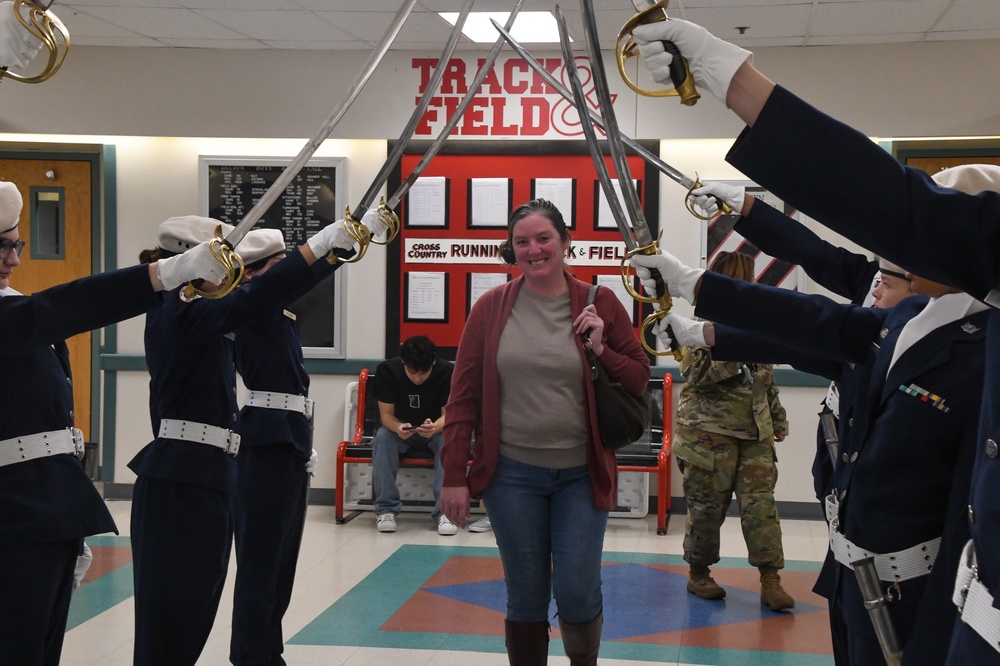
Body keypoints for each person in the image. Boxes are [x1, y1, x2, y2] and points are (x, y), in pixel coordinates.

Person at [632, 20, 1000, 662]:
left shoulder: (977, 342)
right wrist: (697, 292)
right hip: (859, 576)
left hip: (928, 597)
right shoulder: (905, 318)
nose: (900, 253)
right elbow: (810, 323)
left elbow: (870, 223)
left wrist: (736, 82)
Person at [131, 212, 381, 666]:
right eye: (218, 262)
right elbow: (263, 292)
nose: (229, 274)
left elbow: (267, 292)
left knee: (195, 616)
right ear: (192, 265)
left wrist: (337, 250)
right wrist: (325, 244)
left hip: (212, 473)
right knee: (172, 626)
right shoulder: (181, 311)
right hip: (183, 477)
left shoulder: (201, 317)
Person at [0, 181, 229, 665]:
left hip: (44, 512)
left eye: (15, 243)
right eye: (3, 246)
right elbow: (64, 307)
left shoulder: (14, 306)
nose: (14, 258)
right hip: (14, 517)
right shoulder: (19, 315)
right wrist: (165, 274)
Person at [439, 199, 650, 665]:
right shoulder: (491, 308)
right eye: (522, 242)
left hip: (581, 472)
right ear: (511, 250)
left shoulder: (600, 301)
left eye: (543, 239)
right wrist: (454, 475)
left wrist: (601, 349)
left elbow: (639, 376)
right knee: (526, 593)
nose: (533, 250)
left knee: (576, 589)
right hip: (511, 475)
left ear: (565, 242)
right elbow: (463, 398)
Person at [693, 182, 913, 504]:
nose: (878, 290)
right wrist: (746, 207)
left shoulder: (915, 326)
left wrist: (701, 308)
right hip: (837, 440)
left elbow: (802, 326)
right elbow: (811, 251)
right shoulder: (874, 278)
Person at [229, 227, 340, 665]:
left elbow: (297, 279)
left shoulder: (278, 313)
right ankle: (253, 655)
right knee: (260, 562)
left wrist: (335, 256)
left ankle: (267, 649)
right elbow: (293, 278)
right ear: (257, 275)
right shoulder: (253, 305)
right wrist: (327, 251)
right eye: (279, 269)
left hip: (289, 438)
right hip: (265, 442)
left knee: (281, 564)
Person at [672, 251, 793, 610]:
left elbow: (765, 380)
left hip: (755, 436)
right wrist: (737, 346)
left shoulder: (760, 323)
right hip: (708, 436)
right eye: (744, 280)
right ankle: (699, 573)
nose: (750, 286)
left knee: (762, 508)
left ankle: (770, 578)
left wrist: (778, 417)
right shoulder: (699, 327)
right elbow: (694, 374)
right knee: (707, 509)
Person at [371, 335, 455, 535]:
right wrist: (399, 427)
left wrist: (434, 427)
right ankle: (386, 510)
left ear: (433, 363)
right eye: (411, 372)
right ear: (403, 363)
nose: (417, 378)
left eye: (423, 373)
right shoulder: (387, 370)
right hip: (399, 430)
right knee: (382, 439)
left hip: (434, 431)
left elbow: (449, 416)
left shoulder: (447, 372)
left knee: (448, 440)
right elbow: (386, 416)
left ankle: (445, 512)